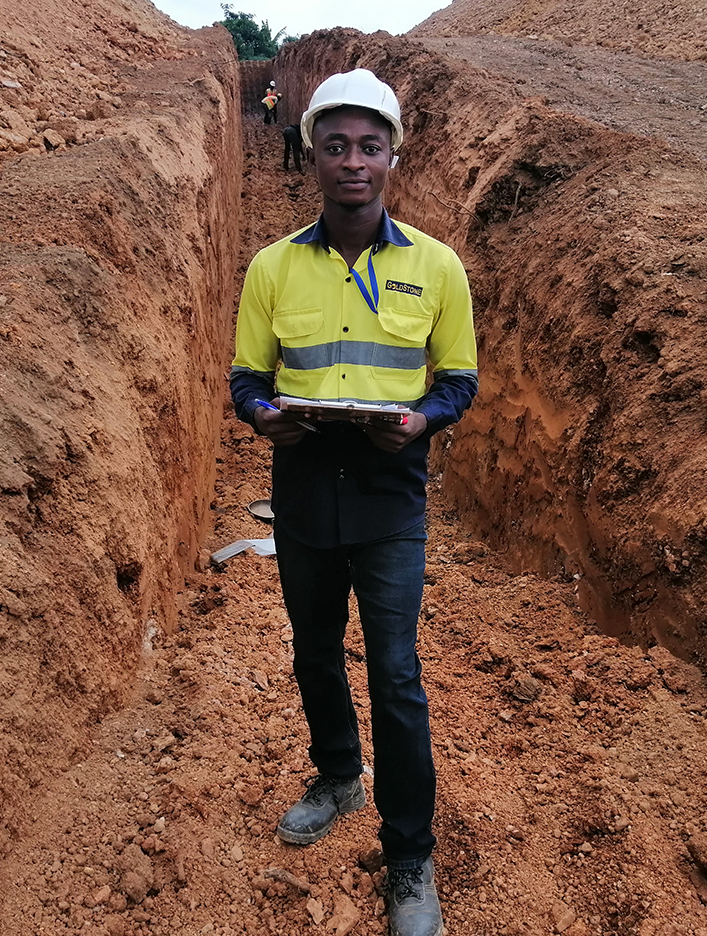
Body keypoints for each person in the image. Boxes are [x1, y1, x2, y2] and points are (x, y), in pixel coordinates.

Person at [231, 68, 478, 936]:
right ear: (311, 154)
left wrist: (420, 422)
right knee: (313, 652)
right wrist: (262, 415)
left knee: (396, 675)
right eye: (334, 145)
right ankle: (338, 777)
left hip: (387, 497)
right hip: (302, 489)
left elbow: (457, 380)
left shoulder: (436, 267)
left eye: (368, 146)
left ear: (392, 157)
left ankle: (409, 857)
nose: (352, 161)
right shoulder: (271, 267)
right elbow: (246, 376)